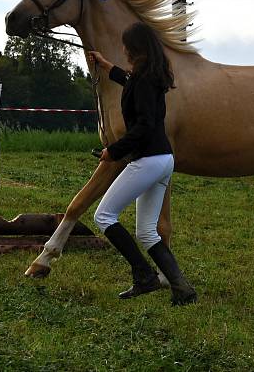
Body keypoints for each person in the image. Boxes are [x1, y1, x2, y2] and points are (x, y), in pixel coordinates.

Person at [88, 22, 197, 306]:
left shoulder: (145, 80)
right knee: (146, 231)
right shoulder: (147, 76)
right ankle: (182, 289)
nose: (122, 49)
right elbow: (128, 82)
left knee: (104, 216)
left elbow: (146, 125)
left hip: (148, 160)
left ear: (134, 48)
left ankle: (144, 275)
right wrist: (106, 66)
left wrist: (115, 150)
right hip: (163, 160)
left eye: (125, 45)